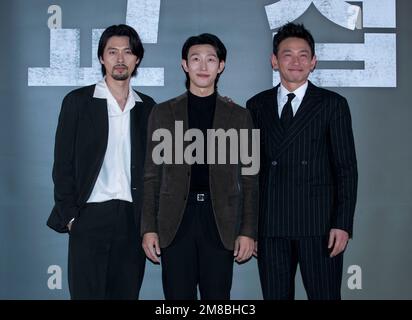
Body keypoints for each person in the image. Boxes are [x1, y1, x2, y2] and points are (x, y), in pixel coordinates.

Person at [141, 33, 258, 300]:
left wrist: (248, 231)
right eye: (195, 59)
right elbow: (151, 176)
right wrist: (149, 228)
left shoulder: (240, 116)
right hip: (174, 222)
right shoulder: (163, 113)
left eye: (210, 59)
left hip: (220, 222)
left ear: (221, 65)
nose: (203, 66)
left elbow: (251, 178)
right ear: (184, 64)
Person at [246, 23, 358, 300]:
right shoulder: (256, 105)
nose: (295, 62)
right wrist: (250, 228)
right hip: (271, 226)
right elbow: (249, 173)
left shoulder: (332, 104)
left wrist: (342, 224)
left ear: (313, 62)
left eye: (303, 55)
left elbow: (346, 170)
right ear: (274, 61)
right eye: (287, 54)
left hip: (319, 226)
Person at [47, 24, 156, 299]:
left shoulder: (148, 108)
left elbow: (156, 172)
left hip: (132, 221)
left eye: (127, 52)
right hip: (89, 217)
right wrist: (72, 218)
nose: (120, 59)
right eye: (112, 52)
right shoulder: (78, 102)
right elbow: (62, 167)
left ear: (137, 59)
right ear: (101, 58)